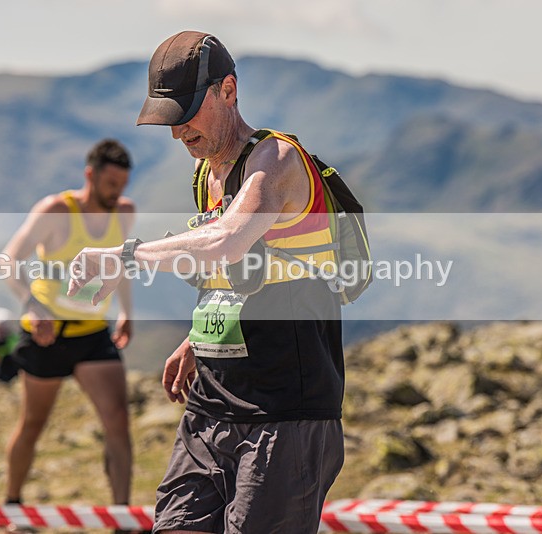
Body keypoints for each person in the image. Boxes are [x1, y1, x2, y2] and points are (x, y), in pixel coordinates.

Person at [68, 32, 345, 534]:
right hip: (210, 407)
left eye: (187, 113)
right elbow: (234, 273)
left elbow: (228, 241)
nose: (178, 133)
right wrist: (197, 339)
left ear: (229, 90)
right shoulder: (205, 174)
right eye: (168, 119)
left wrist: (124, 257)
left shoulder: (277, 161)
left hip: (285, 411)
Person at [0, 139, 138, 519]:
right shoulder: (56, 210)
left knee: (118, 421)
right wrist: (32, 304)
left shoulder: (125, 212)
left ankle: (122, 516)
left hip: (93, 332)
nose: (117, 193)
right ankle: (12, 505)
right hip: (47, 334)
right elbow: (9, 260)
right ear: (90, 175)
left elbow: (121, 264)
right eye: (110, 184)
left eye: (122, 185)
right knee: (33, 423)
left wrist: (127, 311)